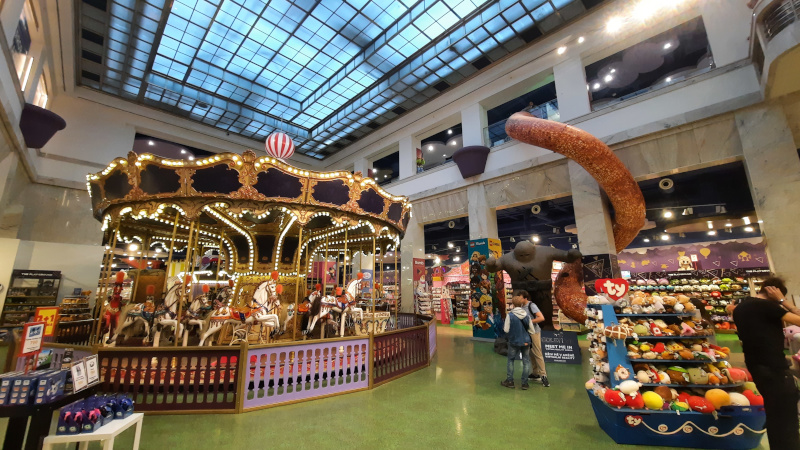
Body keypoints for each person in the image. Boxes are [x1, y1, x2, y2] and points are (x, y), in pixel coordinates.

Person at [731, 277, 800, 450]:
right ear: (773, 291)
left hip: (756, 365)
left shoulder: (741, 307)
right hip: (773, 365)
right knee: (786, 416)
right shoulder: (766, 306)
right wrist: (784, 302)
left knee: (775, 413)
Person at [501, 295, 536, 390]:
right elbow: (532, 331)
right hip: (525, 342)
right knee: (526, 361)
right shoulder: (527, 316)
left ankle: (510, 381)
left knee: (511, 360)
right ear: (521, 304)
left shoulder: (510, 315)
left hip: (514, 341)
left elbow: (506, 329)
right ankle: (524, 383)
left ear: (513, 304)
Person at [515, 290, 549, 387]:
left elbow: (541, 318)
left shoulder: (531, 305)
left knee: (537, 352)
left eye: (520, 297)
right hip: (526, 333)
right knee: (530, 352)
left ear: (525, 298)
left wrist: (529, 321)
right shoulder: (520, 306)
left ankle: (544, 375)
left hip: (534, 332)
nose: (519, 299)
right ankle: (535, 372)